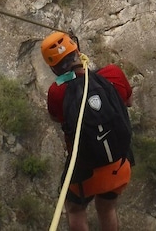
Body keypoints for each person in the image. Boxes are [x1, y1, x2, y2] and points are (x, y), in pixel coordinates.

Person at [41, 32, 133, 231]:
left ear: (53, 68)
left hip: (86, 169)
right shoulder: (113, 74)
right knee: (106, 208)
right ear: (78, 51)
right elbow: (128, 101)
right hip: (119, 163)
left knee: (75, 209)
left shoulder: (57, 91)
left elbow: (57, 118)